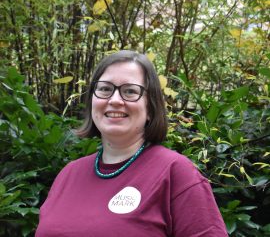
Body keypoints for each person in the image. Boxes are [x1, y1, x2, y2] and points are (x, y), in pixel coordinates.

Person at [35, 50, 228, 237]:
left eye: (130, 91)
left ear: (150, 108)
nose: (115, 100)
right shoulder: (68, 174)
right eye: (105, 89)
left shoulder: (175, 172)